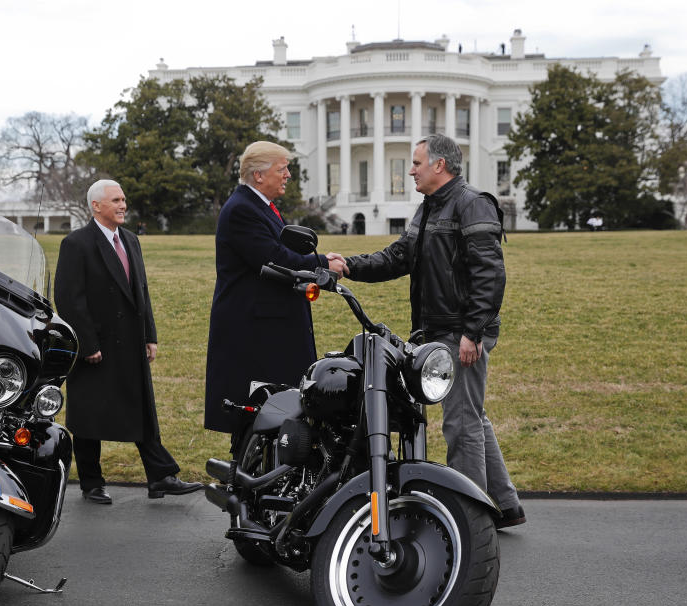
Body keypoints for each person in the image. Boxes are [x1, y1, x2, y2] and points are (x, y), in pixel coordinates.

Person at [334, 134, 525, 529]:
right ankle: (505, 505)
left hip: (461, 333)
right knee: (472, 416)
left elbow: (490, 275)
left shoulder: (472, 204)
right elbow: (399, 257)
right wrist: (349, 265)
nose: (411, 170)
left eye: (417, 163)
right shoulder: (428, 208)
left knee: (462, 423)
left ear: (440, 165)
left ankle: (470, 524)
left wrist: (472, 332)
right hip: (439, 330)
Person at [54, 179, 202, 504]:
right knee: (89, 414)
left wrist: (150, 334)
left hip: (131, 344)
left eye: (124, 200)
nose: (123, 205)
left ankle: (160, 476)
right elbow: (68, 300)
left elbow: (141, 291)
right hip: (96, 348)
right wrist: (88, 343)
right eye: (116, 200)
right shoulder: (76, 244)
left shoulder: (131, 240)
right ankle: (92, 483)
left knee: (142, 410)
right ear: (96, 206)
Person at [204, 140, 346, 433]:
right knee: (258, 413)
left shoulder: (258, 205)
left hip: (268, 329)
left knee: (276, 412)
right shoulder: (243, 209)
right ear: (258, 175)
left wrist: (317, 261)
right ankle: (247, 476)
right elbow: (275, 259)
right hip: (255, 335)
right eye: (282, 169)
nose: (288, 175)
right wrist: (321, 264)